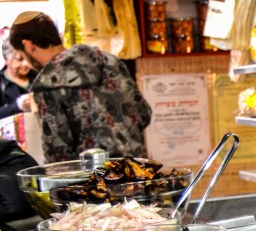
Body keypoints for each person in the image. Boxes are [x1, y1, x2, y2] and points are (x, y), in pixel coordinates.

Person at [8, 11, 152, 163]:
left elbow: (58, 153)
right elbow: (144, 114)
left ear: (28, 45)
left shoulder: (47, 84)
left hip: (93, 176)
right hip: (135, 169)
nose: (28, 64)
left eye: (23, 55)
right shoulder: (110, 61)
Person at [0, 39, 35, 119]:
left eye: (28, 57)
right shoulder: (1, 83)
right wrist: (17, 106)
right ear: (6, 59)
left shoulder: (37, 73)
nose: (26, 64)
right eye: (20, 59)